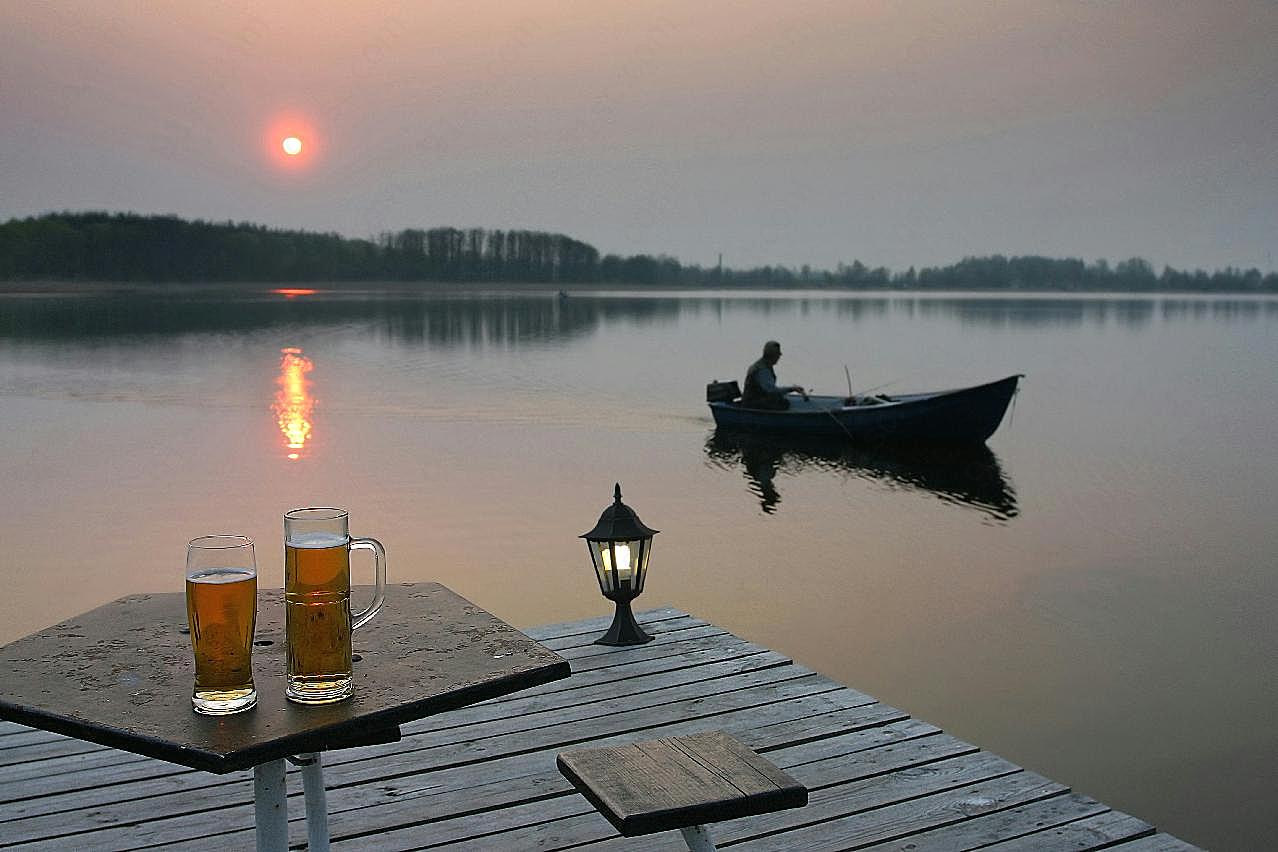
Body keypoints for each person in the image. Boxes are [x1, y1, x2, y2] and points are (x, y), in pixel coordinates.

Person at [741, 340, 807, 409]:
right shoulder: (762, 370)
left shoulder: (762, 365)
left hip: (754, 401)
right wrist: (791, 389)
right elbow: (771, 390)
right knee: (784, 404)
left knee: (781, 401)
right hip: (752, 404)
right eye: (778, 354)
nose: (779, 356)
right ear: (773, 355)